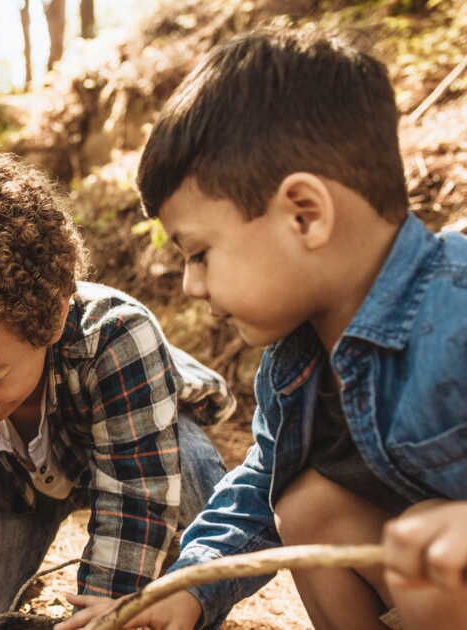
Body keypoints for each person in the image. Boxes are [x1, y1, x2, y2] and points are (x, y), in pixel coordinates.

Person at [65, 30, 467, 630]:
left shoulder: (455, 305)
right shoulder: (295, 363)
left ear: (304, 214)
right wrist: (188, 587)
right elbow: (259, 487)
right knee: (307, 505)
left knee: (437, 539)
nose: (190, 287)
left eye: (199, 253)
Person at [0, 149, 236, 626]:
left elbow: (135, 497)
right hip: (18, 490)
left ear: (53, 316)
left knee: (192, 464)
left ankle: (177, 577)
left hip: (128, 454)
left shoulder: (117, 337)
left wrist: (105, 615)